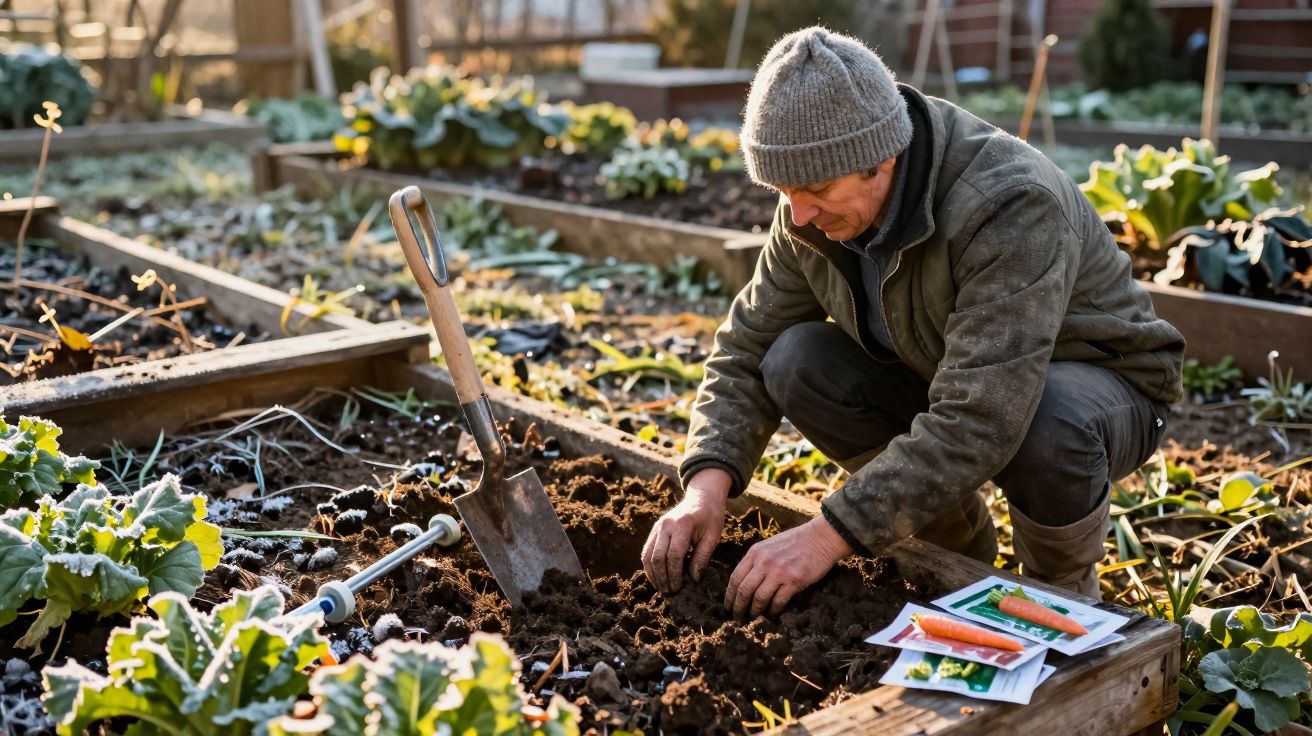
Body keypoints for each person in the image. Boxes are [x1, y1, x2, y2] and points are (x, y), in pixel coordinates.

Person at [640, 26, 1184, 617]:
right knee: (797, 359)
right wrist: (706, 484)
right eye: (784, 190)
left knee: (1046, 420)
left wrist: (826, 536)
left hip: (1100, 387)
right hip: (951, 370)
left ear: (881, 160)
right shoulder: (809, 208)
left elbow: (984, 413)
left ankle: (1061, 594)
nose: (798, 213)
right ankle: (957, 558)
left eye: (817, 189)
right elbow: (749, 343)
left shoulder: (1007, 203)